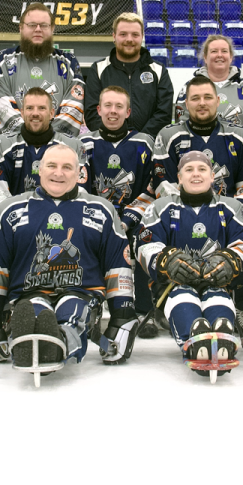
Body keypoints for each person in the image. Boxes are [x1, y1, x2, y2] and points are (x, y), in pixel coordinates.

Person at [0, 142, 135, 370]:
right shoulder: (10, 211)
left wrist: (122, 315)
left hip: (82, 293)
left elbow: (117, 267)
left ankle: (55, 343)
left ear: (80, 172)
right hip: (29, 292)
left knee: (71, 312)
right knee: (32, 311)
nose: (58, 173)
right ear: (39, 169)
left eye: (67, 167)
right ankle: (30, 338)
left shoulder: (102, 210)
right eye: (52, 165)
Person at [137, 151, 243, 376]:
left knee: (217, 295)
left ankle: (222, 341)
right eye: (189, 170)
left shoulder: (233, 207)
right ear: (179, 177)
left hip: (218, 283)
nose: (195, 174)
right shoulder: (160, 207)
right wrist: (165, 260)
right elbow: (144, 243)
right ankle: (195, 343)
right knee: (183, 295)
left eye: (202, 169)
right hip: (172, 286)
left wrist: (231, 260)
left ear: (213, 177)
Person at [80, 85, 159, 336]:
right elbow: (80, 189)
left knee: (147, 242)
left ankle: (144, 312)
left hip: (136, 219)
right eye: (108, 106)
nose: (112, 111)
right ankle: (88, 309)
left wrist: (127, 219)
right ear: (98, 109)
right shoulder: (84, 144)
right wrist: (103, 219)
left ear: (128, 112)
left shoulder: (144, 143)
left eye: (119, 107)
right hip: (95, 219)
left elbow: (152, 188)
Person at [153, 75, 243, 207]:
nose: (202, 103)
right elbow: (164, 188)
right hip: (182, 219)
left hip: (229, 220)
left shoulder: (242, 136)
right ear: (186, 103)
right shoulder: (167, 136)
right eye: (195, 98)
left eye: (208, 97)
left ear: (218, 101)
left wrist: (229, 216)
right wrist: (193, 215)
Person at [0, 3, 85, 137]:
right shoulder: (3, 60)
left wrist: (49, 137)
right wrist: (28, 136)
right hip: (14, 147)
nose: (38, 29)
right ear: (21, 28)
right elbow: (1, 105)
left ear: (52, 29)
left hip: (57, 149)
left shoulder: (68, 61)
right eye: (32, 25)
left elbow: (74, 106)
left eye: (44, 25)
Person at [81, 12, 173, 136]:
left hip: (149, 144)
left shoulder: (159, 70)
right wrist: (115, 138)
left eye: (135, 35)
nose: (129, 39)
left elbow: (164, 113)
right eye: (123, 34)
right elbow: (92, 112)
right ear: (114, 36)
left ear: (142, 37)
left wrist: (142, 139)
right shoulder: (98, 69)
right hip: (107, 144)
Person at [173, 34, 243, 137]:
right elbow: (180, 127)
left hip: (239, 152)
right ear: (205, 57)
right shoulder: (189, 88)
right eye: (214, 51)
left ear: (231, 57)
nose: (219, 55)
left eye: (224, 51)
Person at [0, 87, 63, 201]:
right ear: (22, 113)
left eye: (42, 108)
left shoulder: (70, 147)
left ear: (52, 113)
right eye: (29, 108)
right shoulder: (0, 146)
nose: (35, 113)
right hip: (14, 217)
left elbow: (76, 197)